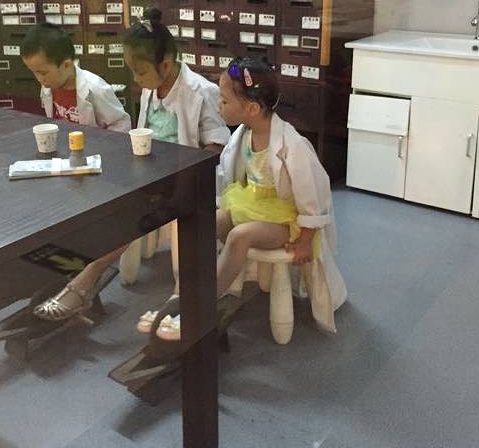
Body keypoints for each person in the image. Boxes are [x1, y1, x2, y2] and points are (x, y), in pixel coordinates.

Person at [32, 9, 230, 321]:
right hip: (155, 176)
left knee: (139, 212)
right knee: (116, 207)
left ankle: (176, 300)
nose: (136, 80)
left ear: (166, 64)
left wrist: (187, 167)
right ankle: (84, 279)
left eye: (140, 72)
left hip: (189, 181)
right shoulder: (152, 87)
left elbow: (219, 145)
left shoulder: (201, 91)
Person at [148, 57, 347, 341]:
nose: (219, 105)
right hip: (252, 205)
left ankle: (201, 307)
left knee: (239, 236)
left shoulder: (293, 145)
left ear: (252, 108)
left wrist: (306, 238)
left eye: (225, 101)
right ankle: (180, 296)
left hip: (285, 220)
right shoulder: (243, 134)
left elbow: (311, 194)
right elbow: (231, 174)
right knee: (202, 224)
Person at [21, 22, 130, 131]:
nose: (39, 79)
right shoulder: (49, 85)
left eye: (43, 73)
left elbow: (121, 124)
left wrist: (100, 141)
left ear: (66, 65)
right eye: (34, 72)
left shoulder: (96, 89)